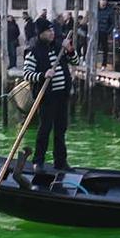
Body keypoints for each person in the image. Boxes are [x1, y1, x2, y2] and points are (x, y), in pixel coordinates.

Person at [22, 17, 80, 172]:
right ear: (41, 33)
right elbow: (27, 74)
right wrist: (43, 75)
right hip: (47, 97)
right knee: (45, 129)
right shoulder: (34, 51)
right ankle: (38, 162)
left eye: (52, 30)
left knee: (61, 129)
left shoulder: (58, 48)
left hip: (62, 96)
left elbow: (75, 62)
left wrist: (70, 50)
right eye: (48, 31)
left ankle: (60, 162)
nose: (52, 33)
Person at [96, 0, 115, 68]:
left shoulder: (109, 11)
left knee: (105, 48)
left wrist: (108, 31)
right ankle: (93, 62)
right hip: (96, 32)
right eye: (102, 2)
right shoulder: (96, 9)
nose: (103, 4)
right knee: (94, 47)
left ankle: (104, 64)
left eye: (104, 2)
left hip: (104, 32)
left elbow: (112, 23)